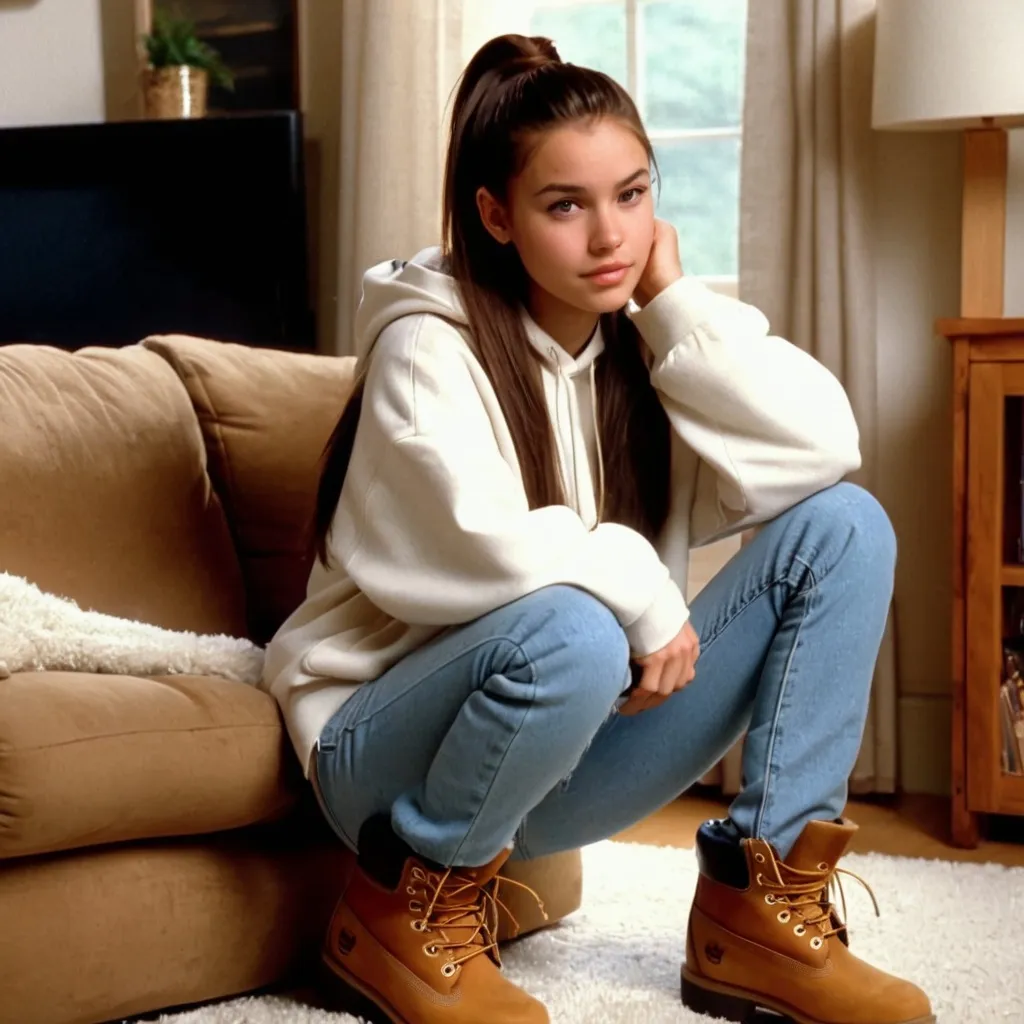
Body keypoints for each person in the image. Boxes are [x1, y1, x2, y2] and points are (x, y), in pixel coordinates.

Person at [263, 32, 934, 1024]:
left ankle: (757, 910)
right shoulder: (424, 346)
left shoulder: (639, 343)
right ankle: (400, 913)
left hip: (564, 752)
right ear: (495, 215)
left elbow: (822, 445)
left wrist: (670, 306)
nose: (609, 235)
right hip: (386, 756)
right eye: (564, 205)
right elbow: (474, 547)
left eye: (630, 194)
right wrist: (633, 574)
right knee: (576, 625)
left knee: (846, 527)